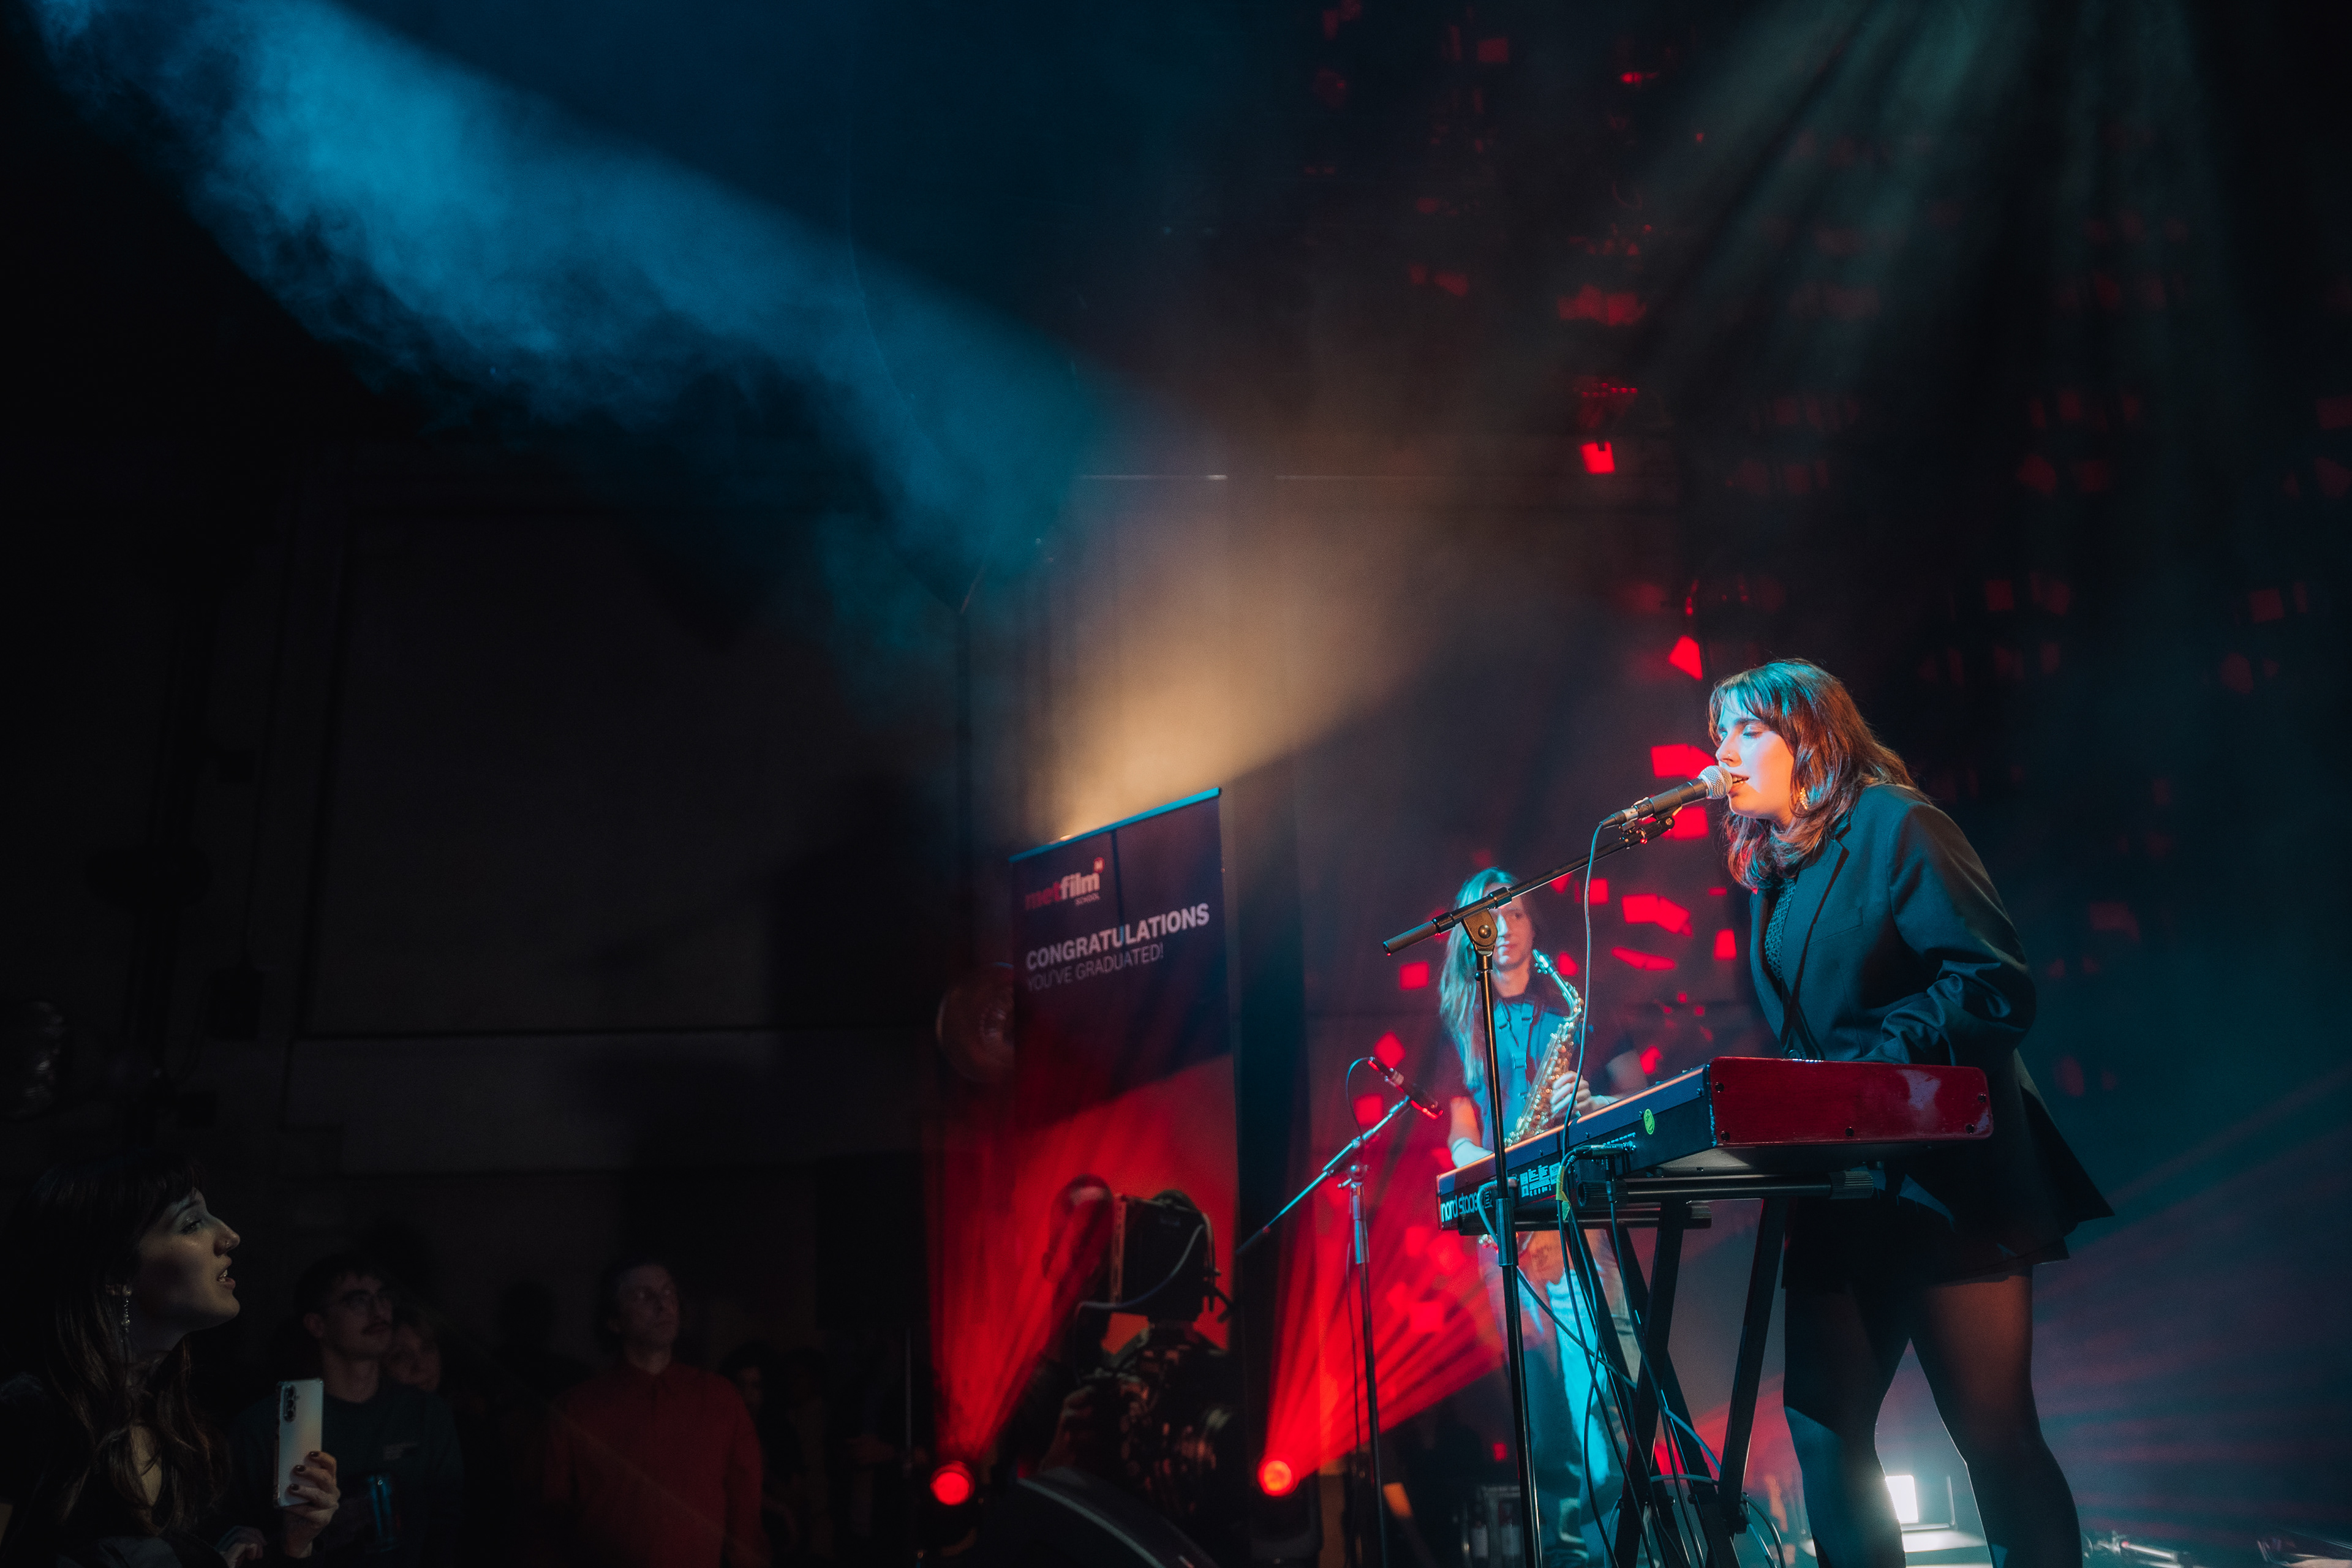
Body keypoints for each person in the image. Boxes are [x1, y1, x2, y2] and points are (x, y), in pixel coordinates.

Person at [1709, 660, 2109, 1568]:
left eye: (1748, 729)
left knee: (1993, 1435)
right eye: (1719, 733)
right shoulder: (1776, 875)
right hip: (1843, 1184)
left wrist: (1863, 1078)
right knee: (1822, 1423)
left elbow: (1991, 984)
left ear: (1811, 736)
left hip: (1945, 1180)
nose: (1724, 752)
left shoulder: (1898, 824)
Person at [0, 1150, 339, 1567]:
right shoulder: (24, 1416)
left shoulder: (183, 1430)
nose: (230, 1235)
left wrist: (295, 1545)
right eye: (192, 1223)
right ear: (116, 1274)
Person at [1437, 866, 1636, 1567]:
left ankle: (1624, 1547)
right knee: (1545, 1413)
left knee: (1607, 1399)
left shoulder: (1576, 1008)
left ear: (1535, 924)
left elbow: (1637, 1100)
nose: (1506, 929)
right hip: (1510, 1232)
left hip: (1578, 1221)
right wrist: (1485, 1161)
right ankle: (1564, 1553)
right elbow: (1459, 1134)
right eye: (1490, 917)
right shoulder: (1460, 1025)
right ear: (1469, 934)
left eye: (1517, 913)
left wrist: (1593, 1106)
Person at [224, 1254, 464, 1567]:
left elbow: (449, 1524)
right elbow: (239, 1535)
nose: (379, 1310)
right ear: (317, 1324)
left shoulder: (426, 1413)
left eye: (384, 1297)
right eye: (358, 1300)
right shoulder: (267, 1425)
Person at [536, 1257, 766, 1568]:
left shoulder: (719, 1397)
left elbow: (744, 1504)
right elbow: (548, 1515)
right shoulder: (576, 1408)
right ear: (614, 1320)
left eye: (669, 1292)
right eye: (643, 1296)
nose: (663, 1304)